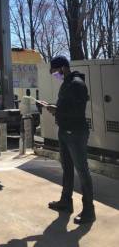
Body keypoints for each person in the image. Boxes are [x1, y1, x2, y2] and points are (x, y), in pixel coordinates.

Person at [41, 55, 95, 225]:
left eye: (55, 71)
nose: (55, 75)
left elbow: (77, 111)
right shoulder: (67, 84)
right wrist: (54, 108)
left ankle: (89, 210)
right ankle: (66, 202)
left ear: (63, 68)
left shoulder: (77, 84)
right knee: (67, 168)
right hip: (65, 131)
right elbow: (66, 107)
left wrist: (56, 110)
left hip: (76, 133)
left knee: (82, 170)